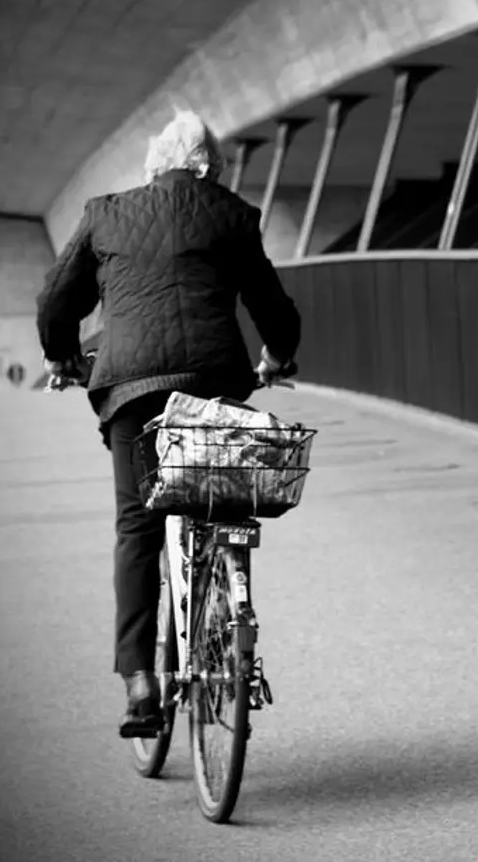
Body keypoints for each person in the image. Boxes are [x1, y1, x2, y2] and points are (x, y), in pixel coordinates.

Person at [35, 109, 301, 738]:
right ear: (210, 167)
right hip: (213, 383)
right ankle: (222, 606)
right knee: (214, 505)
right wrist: (276, 358)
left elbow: (56, 299)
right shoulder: (233, 215)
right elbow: (273, 307)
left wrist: (62, 355)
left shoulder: (105, 213)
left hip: (130, 389)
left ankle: (140, 680)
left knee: (138, 526)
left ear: (155, 164)